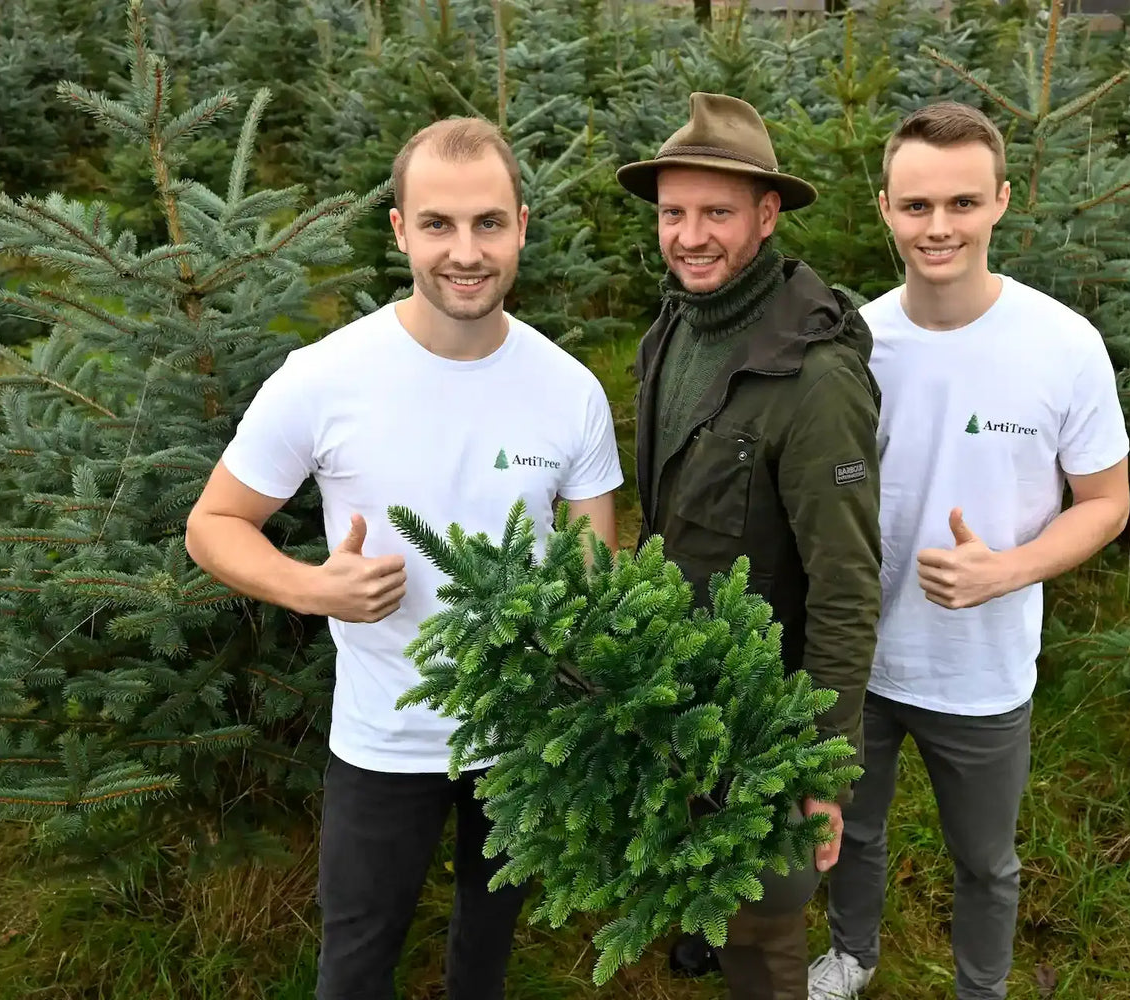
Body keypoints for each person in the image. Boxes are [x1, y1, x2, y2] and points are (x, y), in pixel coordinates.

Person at [184, 116, 623, 1000]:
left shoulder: (569, 388)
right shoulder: (324, 376)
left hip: (521, 739)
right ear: (400, 231)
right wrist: (312, 587)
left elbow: (591, 563)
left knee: (486, 958)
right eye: (439, 225)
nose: (466, 251)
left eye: (489, 224)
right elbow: (215, 523)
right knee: (354, 963)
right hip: (385, 738)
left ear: (522, 226)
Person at [806, 101, 1130, 1000]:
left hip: (983, 673)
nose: (938, 226)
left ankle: (979, 988)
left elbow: (1106, 503)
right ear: (884, 208)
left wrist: (1006, 570)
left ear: (1000, 202)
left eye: (961, 202)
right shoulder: (855, 346)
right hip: (862, 660)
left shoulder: (1064, 346)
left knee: (986, 860)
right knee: (853, 832)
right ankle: (852, 956)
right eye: (917, 206)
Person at [616, 92, 882, 1000]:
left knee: (769, 925)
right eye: (674, 213)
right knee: (701, 858)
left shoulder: (816, 381)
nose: (690, 236)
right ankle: (701, 931)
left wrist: (823, 766)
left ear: (767, 216)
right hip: (682, 671)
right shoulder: (672, 330)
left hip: (769, 709)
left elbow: (847, 585)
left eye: (716, 213)